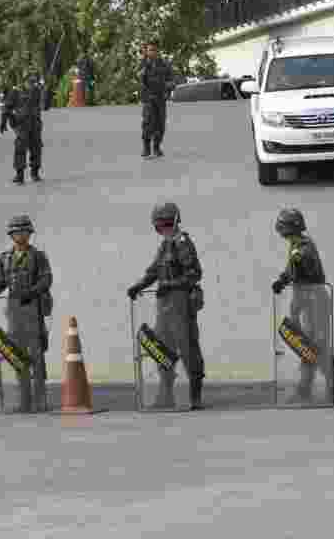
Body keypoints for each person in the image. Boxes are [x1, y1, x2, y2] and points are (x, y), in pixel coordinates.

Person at [126, 202, 206, 409]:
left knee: (187, 347)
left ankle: (193, 396)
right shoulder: (165, 245)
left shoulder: (182, 242)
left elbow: (194, 274)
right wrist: (139, 285)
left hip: (180, 303)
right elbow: (154, 272)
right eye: (160, 224)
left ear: (175, 221)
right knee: (162, 347)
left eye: (166, 223)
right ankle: (165, 394)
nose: (163, 227)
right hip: (164, 304)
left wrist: (170, 284)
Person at [0, 215, 53, 413]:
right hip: (13, 312)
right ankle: (24, 401)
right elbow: (0, 281)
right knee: (17, 356)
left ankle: (40, 401)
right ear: (11, 235)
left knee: (36, 356)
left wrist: (31, 293)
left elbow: (46, 280)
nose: (20, 235)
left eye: (23, 231)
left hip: (33, 310)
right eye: (16, 232)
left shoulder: (38, 256)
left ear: (30, 233)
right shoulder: (5, 258)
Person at [271, 208, 334, 404]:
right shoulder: (296, 244)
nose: (280, 229)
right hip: (305, 299)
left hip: (315, 300)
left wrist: (290, 277)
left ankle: (332, 390)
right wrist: (282, 280)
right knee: (305, 345)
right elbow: (292, 268)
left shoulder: (304, 246)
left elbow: (303, 268)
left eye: (283, 226)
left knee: (320, 346)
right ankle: (304, 389)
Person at [0, 73, 45, 185]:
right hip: (21, 124)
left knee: (36, 147)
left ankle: (35, 173)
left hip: (35, 124)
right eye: (30, 81)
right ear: (24, 82)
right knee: (20, 148)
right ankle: (19, 175)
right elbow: (6, 108)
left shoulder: (37, 91)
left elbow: (45, 105)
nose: (32, 84)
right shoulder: (15, 92)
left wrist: (45, 92)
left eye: (34, 82)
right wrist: (3, 122)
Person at [139, 40, 176, 159]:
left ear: (157, 51)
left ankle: (157, 147)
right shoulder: (143, 64)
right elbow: (139, 80)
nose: (152, 52)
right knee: (148, 123)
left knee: (160, 124)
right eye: (150, 50)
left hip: (161, 98)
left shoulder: (164, 64)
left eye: (154, 50)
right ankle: (146, 147)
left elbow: (172, 79)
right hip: (148, 99)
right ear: (146, 51)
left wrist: (169, 87)